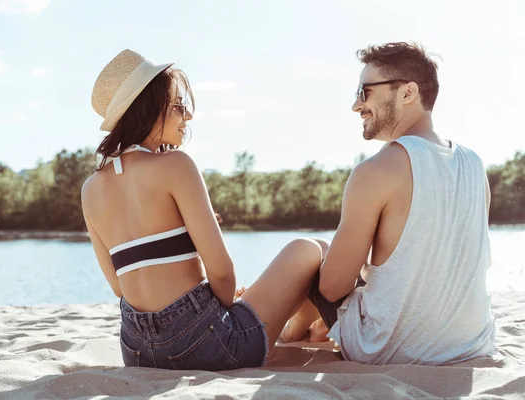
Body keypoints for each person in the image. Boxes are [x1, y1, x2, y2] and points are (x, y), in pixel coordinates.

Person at [81, 49, 325, 371]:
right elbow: (222, 273)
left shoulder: (91, 189)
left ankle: (295, 330)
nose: (189, 117)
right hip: (201, 341)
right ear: (151, 107)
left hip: (137, 350)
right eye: (179, 106)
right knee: (309, 249)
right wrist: (223, 305)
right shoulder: (175, 166)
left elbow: (118, 287)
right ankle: (297, 330)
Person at [281, 42, 497, 365]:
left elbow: (332, 287)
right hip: (472, 346)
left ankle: (290, 333)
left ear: (408, 93)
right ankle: (308, 330)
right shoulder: (475, 164)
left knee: (316, 261)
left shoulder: (377, 170)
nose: (356, 106)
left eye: (364, 92)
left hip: (392, 351)